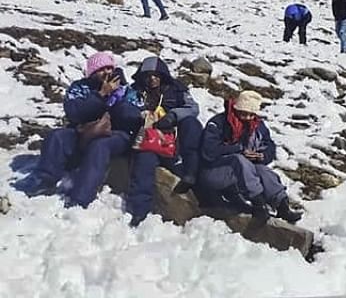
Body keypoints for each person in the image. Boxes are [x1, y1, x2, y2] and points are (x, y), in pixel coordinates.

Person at [23, 52, 144, 209]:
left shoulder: (126, 91)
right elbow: (74, 112)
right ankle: (43, 180)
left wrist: (117, 103)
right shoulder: (79, 87)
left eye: (109, 68)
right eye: (102, 69)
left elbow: (134, 115)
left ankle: (80, 198)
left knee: (99, 146)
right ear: (92, 72)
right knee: (57, 137)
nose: (107, 72)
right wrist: (100, 95)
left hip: (116, 134)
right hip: (83, 131)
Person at [197, 90, 302, 223]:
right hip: (212, 173)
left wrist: (261, 156)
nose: (247, 117)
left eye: (251, 115)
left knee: (263, 170)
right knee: (238, 160)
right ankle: (258, 204)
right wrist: (238, 149)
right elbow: (208, 151)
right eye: (243, 113)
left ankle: (282, 206)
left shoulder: (258, 127)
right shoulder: (218, 123)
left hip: (239, 176)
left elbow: (269, 146)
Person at [127, 56, 203, 221]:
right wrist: (140, 115)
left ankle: (191, 172)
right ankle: (138, 212)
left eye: (156, 75)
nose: (152, 78)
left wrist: (173, 115)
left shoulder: (176, 89)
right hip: (146, 139)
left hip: (172, 140)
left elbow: (193, 108)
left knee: (191, 124)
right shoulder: (135, 91)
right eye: (148, 75)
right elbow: (126, 108)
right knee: (143, 164)